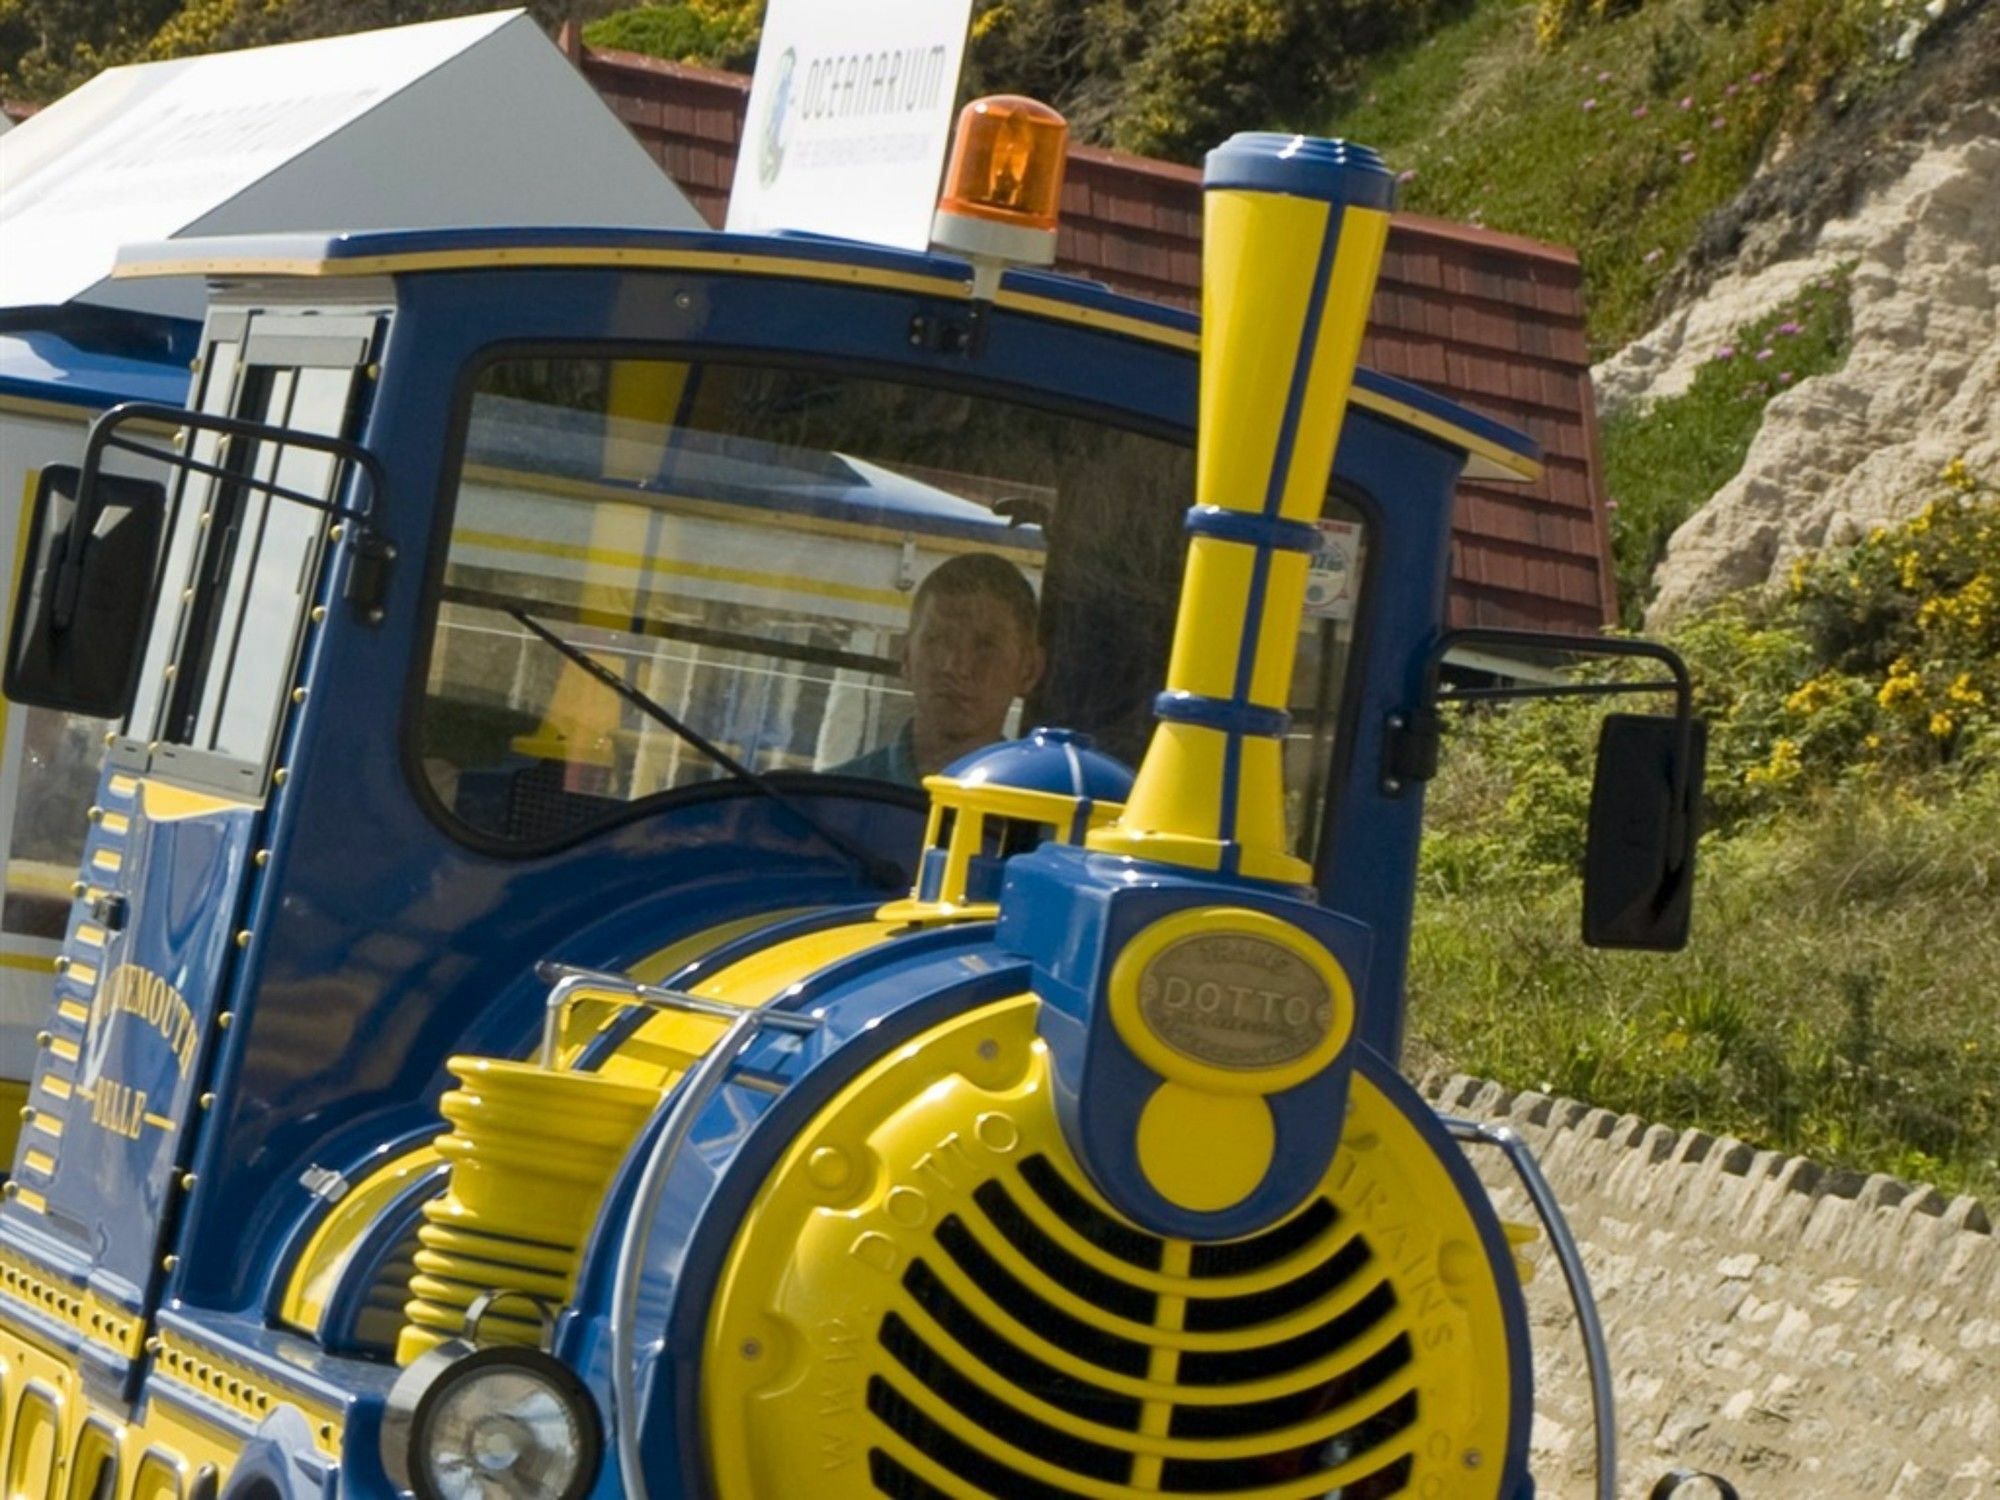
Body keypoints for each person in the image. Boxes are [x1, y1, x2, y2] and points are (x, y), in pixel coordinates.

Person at [836, 552, 1045, 787]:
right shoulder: (833, 800)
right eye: (937, 640)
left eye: (986, 645)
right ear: (906, 657)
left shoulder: (1040, 813)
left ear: (1028, 670)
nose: (956, 666)